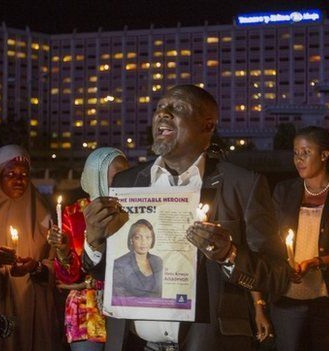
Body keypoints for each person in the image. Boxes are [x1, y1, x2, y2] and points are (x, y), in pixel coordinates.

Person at [82, 85, 288, 351]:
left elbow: (277, 275)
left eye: (177, 108)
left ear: (208, 125)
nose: (163, 114)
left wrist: (229, 254)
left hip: (210, 343)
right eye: (159, 108)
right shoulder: (128, 181)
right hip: (135, 344)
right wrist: (95, 242)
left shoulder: (243, 184)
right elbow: (109, 270)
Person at [271, 126, 329, 350]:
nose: (298, 159)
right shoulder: (284, 191)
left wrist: (318, 262)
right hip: (287, 295)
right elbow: (270, 241)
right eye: (295, 153)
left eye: (305, 152)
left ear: (324, 155)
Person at [0, 144, 62, 351]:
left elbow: (57, 264)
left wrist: (35, 267)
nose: (19, 180)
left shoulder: (42, 214)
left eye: (24, 174)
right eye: (10, 174)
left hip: (32, 305)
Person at [49, 147, 128, 351]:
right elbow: (68, 277)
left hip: (125, 304)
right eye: (117, 176)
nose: (124, 180)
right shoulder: (75, 214)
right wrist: (63, 251)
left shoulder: (132, 213)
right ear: (96, 176)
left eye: (127, 174)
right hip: (87, 311)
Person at [112, 219, 163, 298]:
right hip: (130, 309)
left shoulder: (158, 261)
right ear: (131, 240)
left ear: (152, 240)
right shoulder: (120, 263)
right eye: (138, 237)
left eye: (148, 237)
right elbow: (119, 297)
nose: (143, 242)